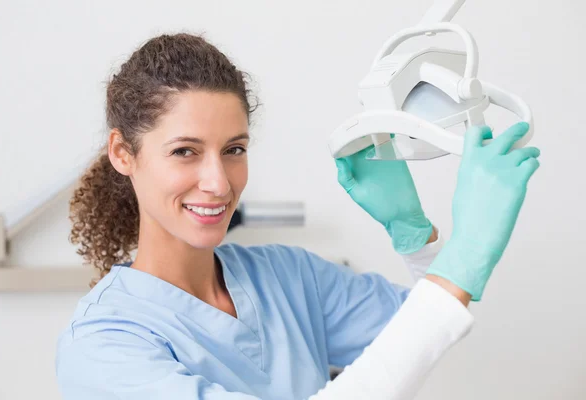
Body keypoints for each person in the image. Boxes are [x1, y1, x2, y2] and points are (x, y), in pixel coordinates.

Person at [55, 33, 540, 399]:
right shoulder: (102, 348)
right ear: (123, 153)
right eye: (185, 151)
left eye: (234, 149)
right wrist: (464, 254)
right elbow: (436, 312)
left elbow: (421, 332)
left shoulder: (288, 277)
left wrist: (414, 236)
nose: (219, 183)